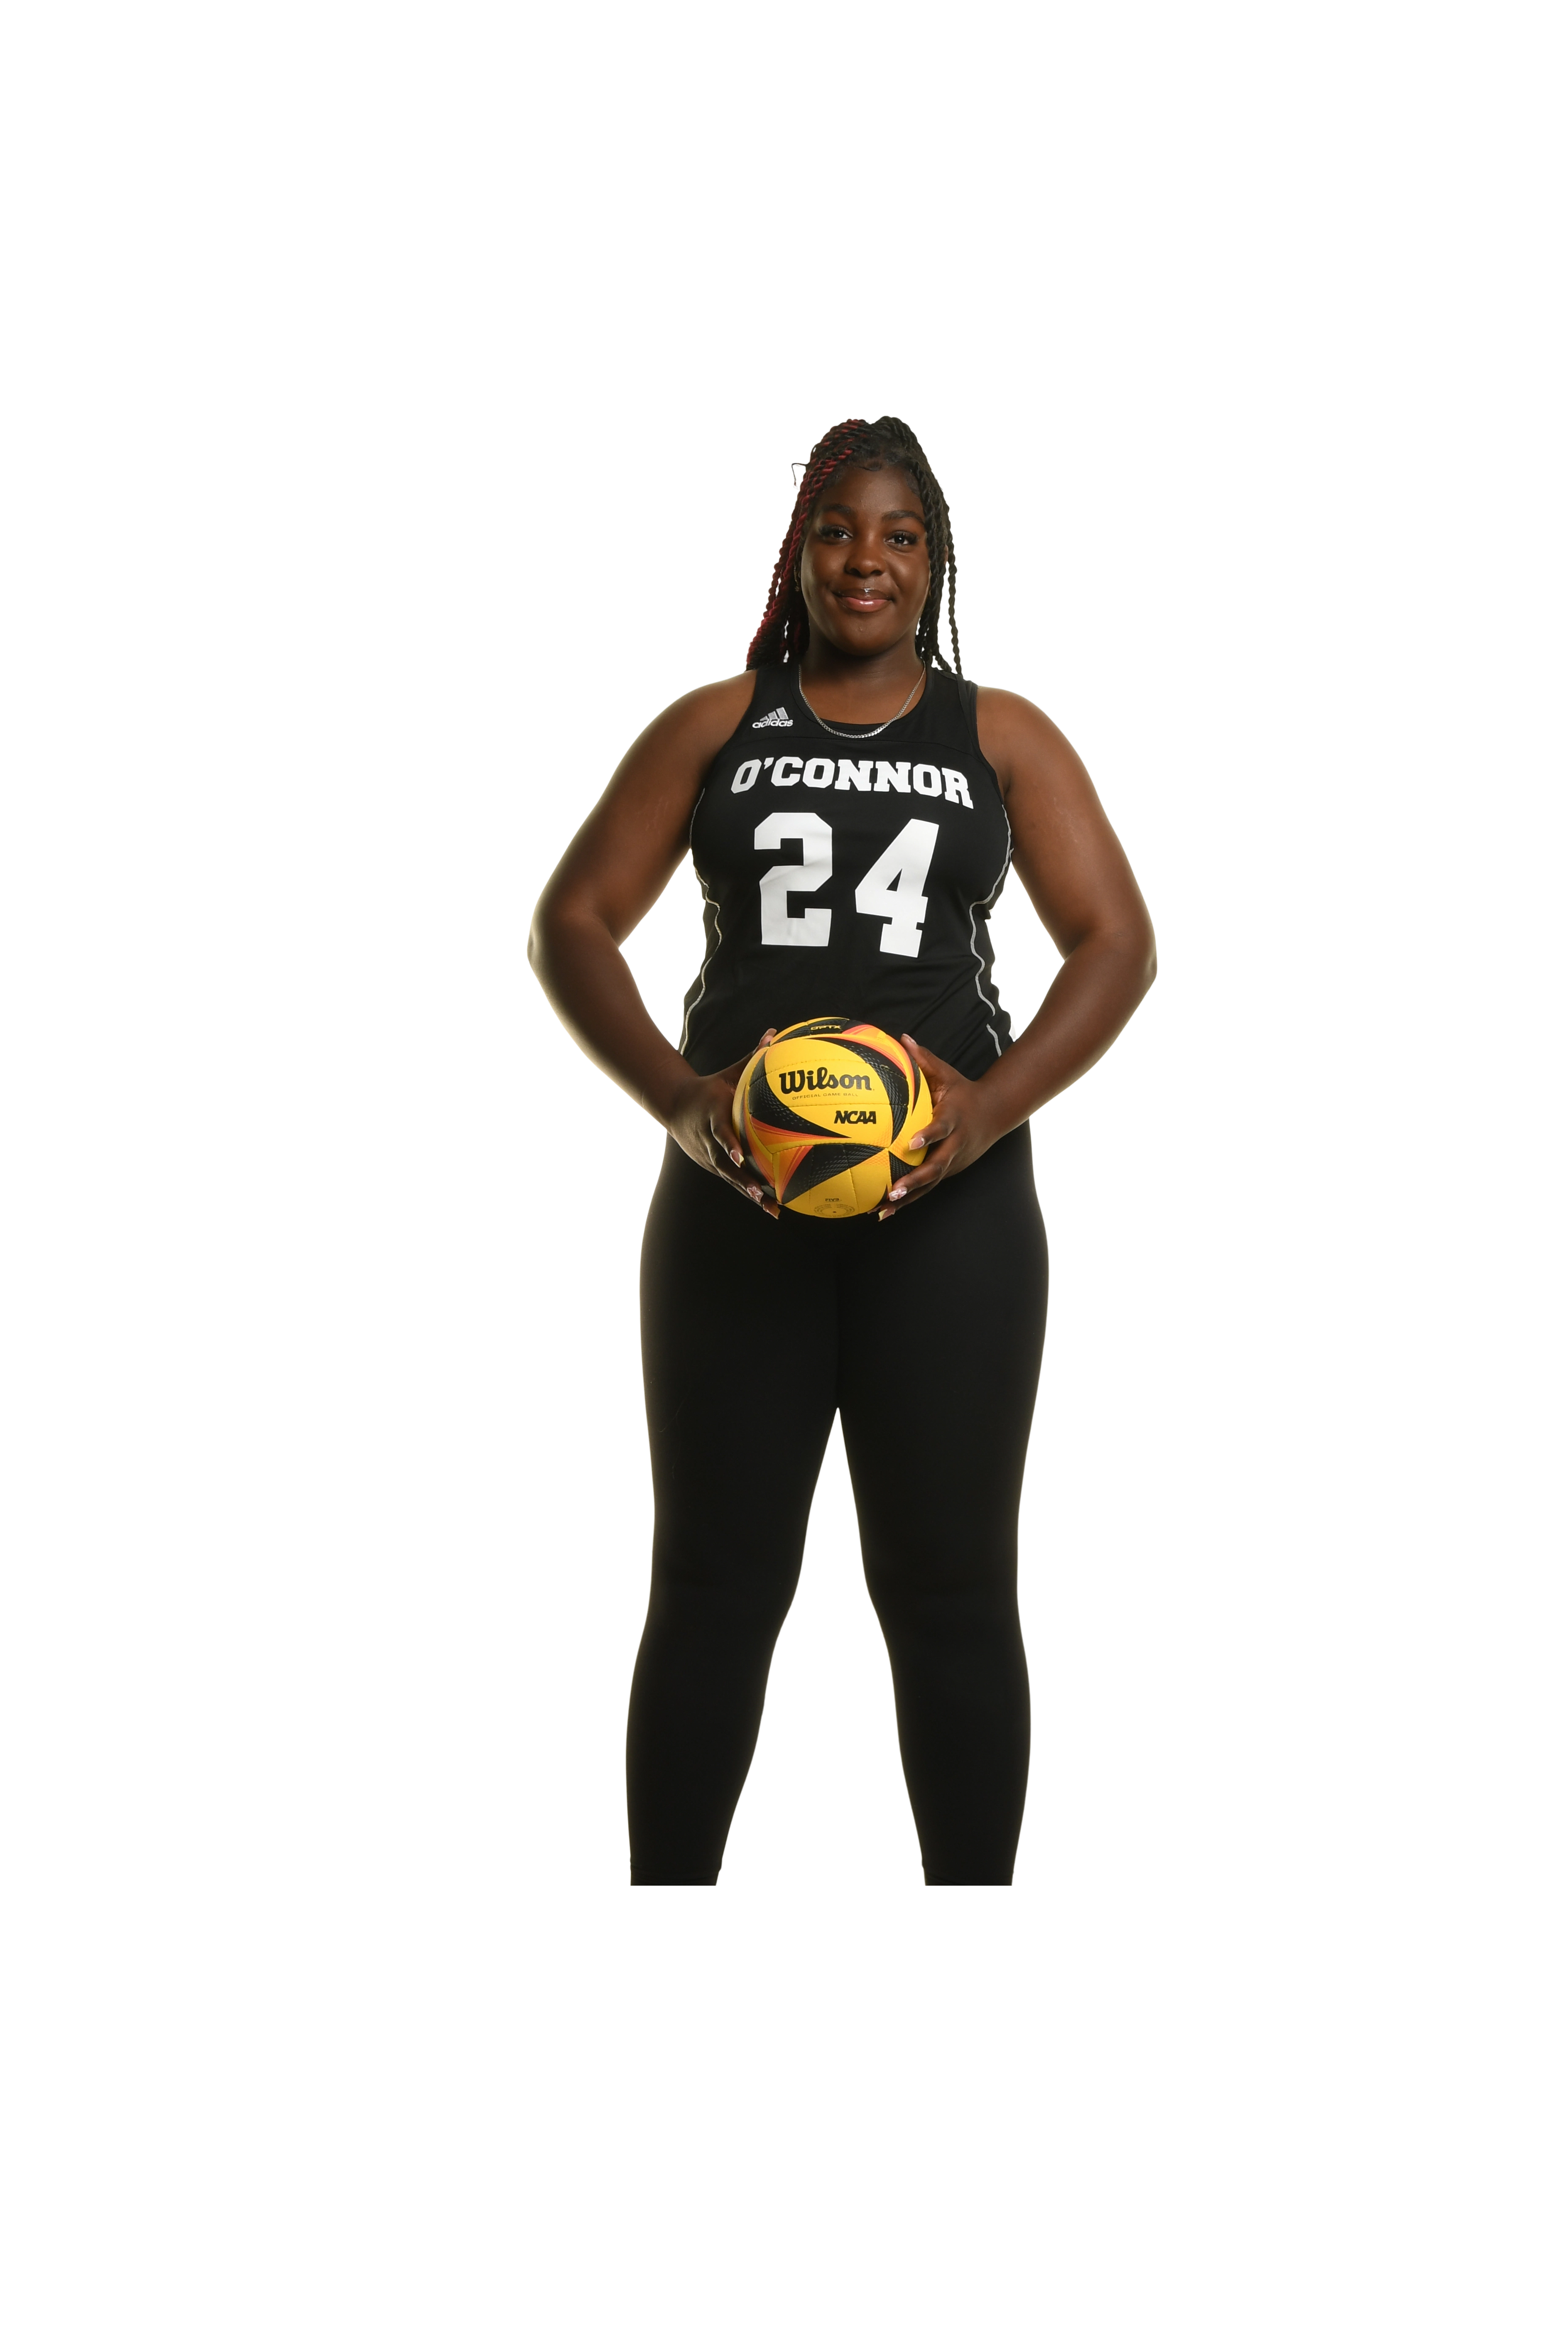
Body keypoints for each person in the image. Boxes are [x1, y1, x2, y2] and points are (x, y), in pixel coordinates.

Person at [530, 417, 1156, 1884]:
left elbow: (1117, 944)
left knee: (951, 1595)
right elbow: (573, 922)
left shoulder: (999, 734)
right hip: (736, 1207)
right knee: (711, 1588)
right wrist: (680, 1101)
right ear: (798, 551)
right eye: (836, 528)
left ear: (936, 562)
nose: (866, 557)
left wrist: (985, 1111)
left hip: (953, 1211)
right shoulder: (717, 725)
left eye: (899, 534)